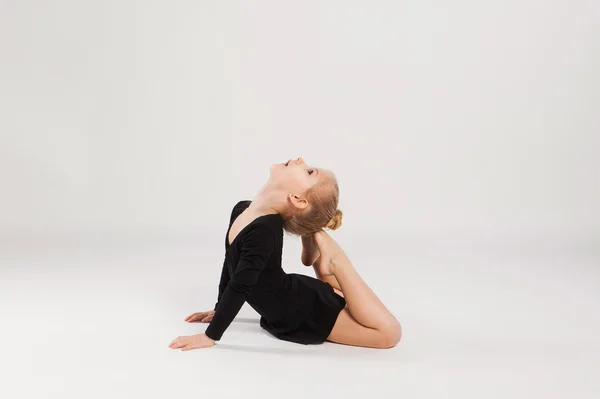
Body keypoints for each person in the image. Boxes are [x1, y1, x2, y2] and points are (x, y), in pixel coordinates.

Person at [169, 157, 401, 351]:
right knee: (352, 304)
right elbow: (231, 265)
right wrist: (219, 308)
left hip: (308, 312)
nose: (300, 160)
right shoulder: (242, 209)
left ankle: (336, 261)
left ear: (298, 199)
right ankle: (324, 261)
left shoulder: (264, 231)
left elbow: (241, 286)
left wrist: (210, 337)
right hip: (296, 299)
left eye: (310, 172)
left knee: (390, 334)